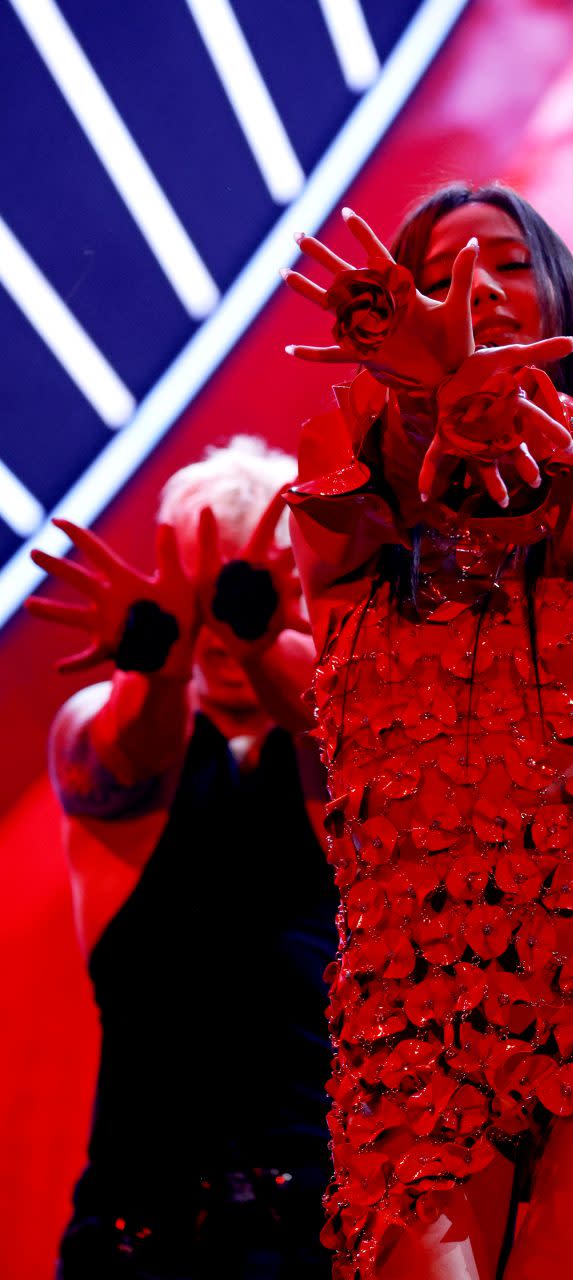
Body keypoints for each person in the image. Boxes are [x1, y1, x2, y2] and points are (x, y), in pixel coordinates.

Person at [280, 186, 573, 1280]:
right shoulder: (338, 518)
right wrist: (426, 404)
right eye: (437, 274)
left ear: (559, 296)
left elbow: (541, 494)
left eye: (501, 261)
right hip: (407, 1012)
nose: (472, 289)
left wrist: (478, 411)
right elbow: (388, 506)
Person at [27, 437, 337, 1279]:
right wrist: (158, 675)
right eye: (203, 586)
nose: (220, 616)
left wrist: (263, 638)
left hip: (324, 1231)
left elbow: (326, 717)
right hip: (141, 1236)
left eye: (245, 586)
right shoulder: (106, 720)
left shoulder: (345, 738)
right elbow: (129, 750)